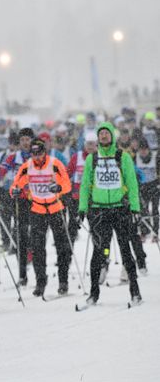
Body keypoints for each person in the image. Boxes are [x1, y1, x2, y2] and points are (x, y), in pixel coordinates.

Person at [79, 121, 142, 305]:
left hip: (120, 209)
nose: (104, 136)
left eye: (106, 133)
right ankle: (93, 293)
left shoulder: (122, 157)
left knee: (125, 250)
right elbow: (84, 186)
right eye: (101, 134)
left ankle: (135, 291)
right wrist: (82, 208)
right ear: (98, 138)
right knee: (99, 252)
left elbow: (132, 183)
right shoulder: (92, 159)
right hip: (99, 211)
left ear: (111, 136)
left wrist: (135, 208)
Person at [10, 137, 72, 297]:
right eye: (34, 153)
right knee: (37, 248)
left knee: (62, 246)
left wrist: (59, 187)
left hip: (55, 208)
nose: (37, 157)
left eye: (40, 153)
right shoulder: (27, 166)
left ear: (45, 152)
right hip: (37, 210)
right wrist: (15, 191)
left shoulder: (55, 163)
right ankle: (40, 282)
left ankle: (63, 281)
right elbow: (15, 185)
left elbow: (67, 184)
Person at [0, 128, 35, 285]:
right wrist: (2, 181)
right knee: (20, 233)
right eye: (23, 140)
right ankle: (22, 274)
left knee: (35, 233)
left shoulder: (37, 156)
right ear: (19, 142)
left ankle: (37, 265)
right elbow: (1, 169)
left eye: (28, 140)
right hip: (19, 200)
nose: (25, 143)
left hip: (36, 200)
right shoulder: (14, 157)